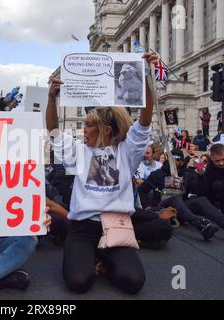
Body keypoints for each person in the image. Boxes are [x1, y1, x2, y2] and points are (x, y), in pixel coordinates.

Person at [46, 52, 159, 295]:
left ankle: (104, 258)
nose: (82, 130)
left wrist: (146, 77)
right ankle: (88, 256)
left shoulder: (127, 152)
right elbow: (53, 131)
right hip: (82, 228)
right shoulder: (78, 152)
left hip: (115, 226)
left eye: (88, 125)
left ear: (106, 130)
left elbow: (145, 120)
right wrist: (51, 99)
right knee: (78, 282)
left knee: (133, 282)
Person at [138, 149, 221, 241]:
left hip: (181, 211)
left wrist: (201, 174)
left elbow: (201, 191)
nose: (173, 161)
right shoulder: (157, 174)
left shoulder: (188, 174)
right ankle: (200, 225)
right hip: (162, 209)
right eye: (171, 158)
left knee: (201, 200)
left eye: (176, 159)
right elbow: (141, 191)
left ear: (181, 162)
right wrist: (147, 207)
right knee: (173, 199)